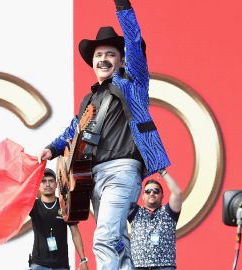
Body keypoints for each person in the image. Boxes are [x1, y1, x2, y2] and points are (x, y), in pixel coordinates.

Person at [38, 0, 170, 269]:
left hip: (123, 171)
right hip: (95, 177)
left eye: (110, 54)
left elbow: (133, 40)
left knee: (104, 239)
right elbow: (73, 129)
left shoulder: (133, 83)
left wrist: (122, 5)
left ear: (121, 60)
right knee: (118, 243)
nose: (103, 59)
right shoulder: (89, 100)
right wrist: (52, 148)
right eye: (98, 55)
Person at [19, 168, 89, 270]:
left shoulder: (64, 205)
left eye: (51, 181)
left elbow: (75, 233)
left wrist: (83, 260)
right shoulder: (33, 205)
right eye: (43, 181)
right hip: (38, 265)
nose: (47, 184)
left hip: (61, 265)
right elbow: (16, 201)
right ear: (39, 185)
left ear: (56, 184)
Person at [128, 171, 182, 270]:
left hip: (165, 266)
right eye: (148, 191)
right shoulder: (135, 212)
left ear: (162, 195)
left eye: (156, 191)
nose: (152, 193)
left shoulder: (169, 211)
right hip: (138, 266)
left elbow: (177, 193)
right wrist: (136, 172)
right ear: (143, 196)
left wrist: (163, 172)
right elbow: (124, 194)